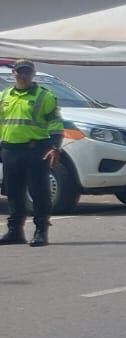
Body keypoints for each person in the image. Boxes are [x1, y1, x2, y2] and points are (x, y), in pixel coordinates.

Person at [1, 60, 63, 247]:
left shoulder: (44, 96)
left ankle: (41, 231)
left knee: (39, 192)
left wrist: (55, 146)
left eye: (27, 72)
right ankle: (15, 231)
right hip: (10, 150)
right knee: (13, 192)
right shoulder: (4, 96)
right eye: (20, 72)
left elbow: (55, 124)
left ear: (33, 74)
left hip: (36, 150)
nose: (23, 75)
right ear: (14, 73)